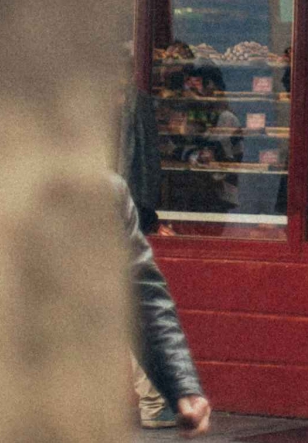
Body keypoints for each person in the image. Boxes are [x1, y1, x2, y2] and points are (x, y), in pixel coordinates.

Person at [116, 174, 212, 437]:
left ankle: (155, 405)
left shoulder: (106, 191)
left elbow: (144, 297)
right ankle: (154, 405)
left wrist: (181, 387)